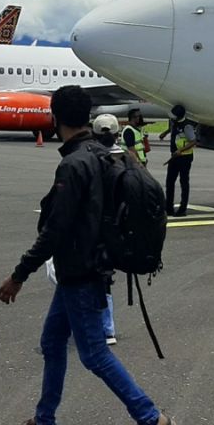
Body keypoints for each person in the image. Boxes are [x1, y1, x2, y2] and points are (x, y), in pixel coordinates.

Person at [0, 86, 172, 425]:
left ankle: (151, 417)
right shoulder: (101, 152)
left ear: (55, 117)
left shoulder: (74, 164)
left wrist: (18, 276)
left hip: (81, 271)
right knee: (52, 342)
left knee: (95, 355)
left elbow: (54, 231)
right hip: (85, 267)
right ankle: (44, 418)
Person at [91, 113, 124, 343]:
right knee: (105, 277)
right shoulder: (127, 159)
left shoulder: (90, 159)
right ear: (117, 133)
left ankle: (102, 326)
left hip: (94, 227)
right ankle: (107, 327)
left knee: (86, 277)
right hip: (118, 228)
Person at [160, 105, 196, 217]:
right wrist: (165, 132)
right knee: (169, 181)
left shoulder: (187, 126)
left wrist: (181, 150)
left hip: (184, 157)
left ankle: (182, 208)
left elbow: (193, 141)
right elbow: (172, 129)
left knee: (184, 182)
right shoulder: (174, 123)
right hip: (174, 156)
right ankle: (169, 207)